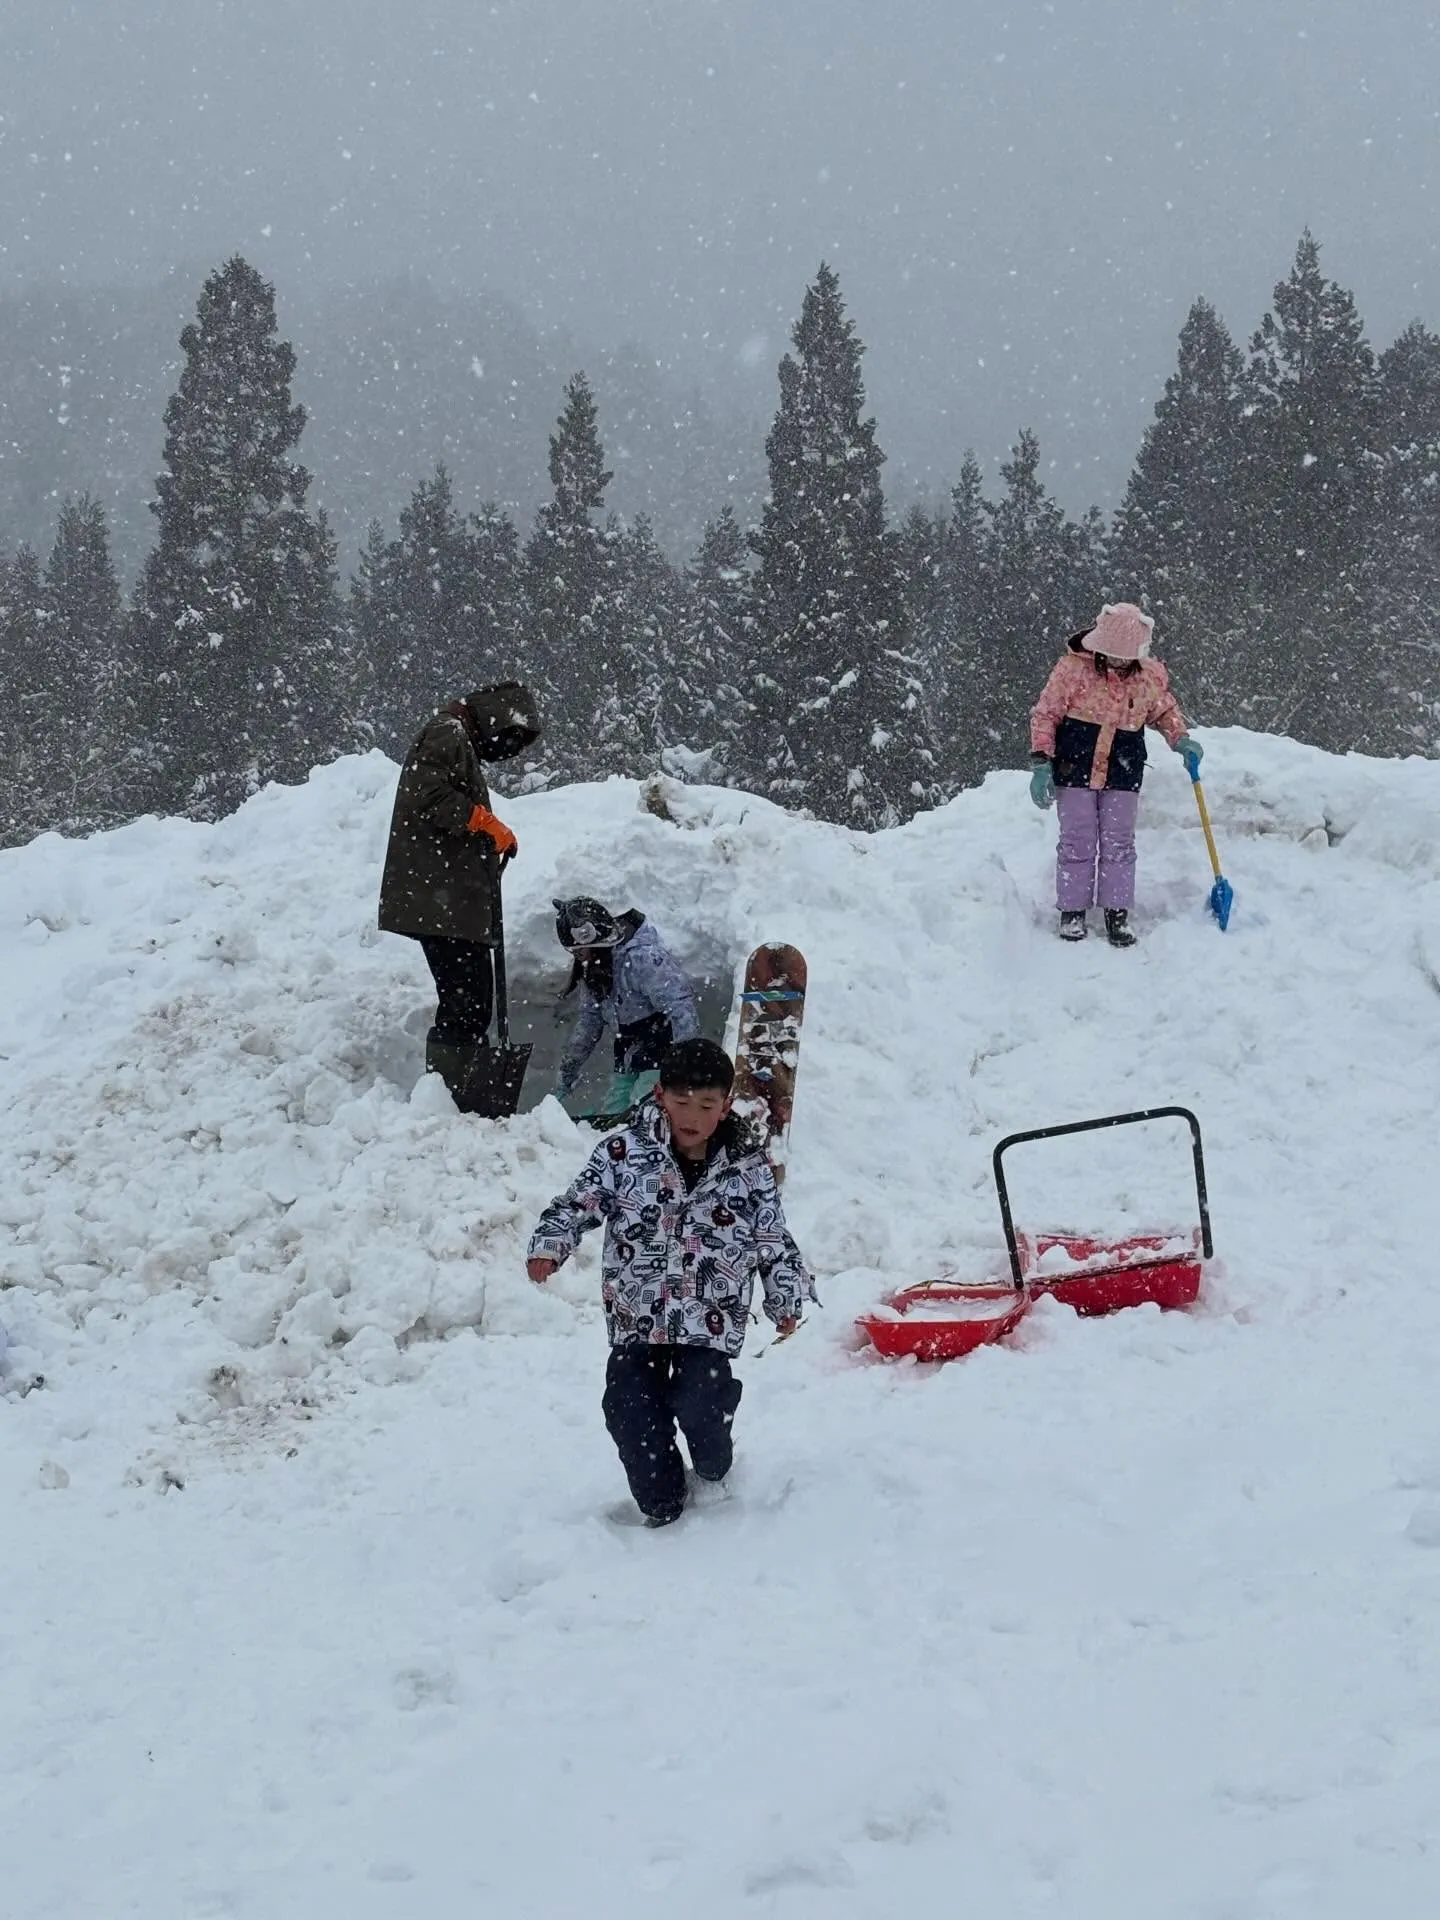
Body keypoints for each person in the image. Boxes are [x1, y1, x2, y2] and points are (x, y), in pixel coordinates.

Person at [527, 1037, 815, 1527]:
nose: (692, 1115)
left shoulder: (747, 1168)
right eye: (681, 1101)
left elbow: (773, 1238)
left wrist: (783, 1294)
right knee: (627, 1409)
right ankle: (662, 1504)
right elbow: (579, 1202)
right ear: (659, 1095)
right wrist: (551, 1242)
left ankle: (714, 1466)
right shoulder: (623, 1153)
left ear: (725, 1106)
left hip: (711, 1314)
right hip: (637, 1313)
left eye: (706, 1105)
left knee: (700, 1401)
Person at [378, 683, 541, 1087]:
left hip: (449, 903)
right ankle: (453, 1090)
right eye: (510, 739)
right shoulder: (446, 733)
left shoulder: (456, 738)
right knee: (465, 1002)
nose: (507, 751)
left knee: (470, 999)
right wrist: (483, 822)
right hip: (440, 903)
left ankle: (459, 1083)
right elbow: (427, 794)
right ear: (495, 720)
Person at [1028, 602, 1202, 947]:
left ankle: (1116, 912)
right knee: (1077, 840)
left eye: (1127, 658)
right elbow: (1045, 714)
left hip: (1123, 770)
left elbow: (1164, 710)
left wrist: (1181, 739)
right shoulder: (1072, 671)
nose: (1121, 663)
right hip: (1074, 766)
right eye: (1115, 655)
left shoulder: (1148, 677)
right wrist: (1040, 762)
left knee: (1119, 843)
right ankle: (1073, 910)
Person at [551, 896, 700, 1118]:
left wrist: (683, 1060)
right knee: (615, 1110)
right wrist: (570, 1064)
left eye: (580, 951)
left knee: (643, 1107)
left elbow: (679, 1006)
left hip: (662, 1042)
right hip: (628, 1047)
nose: (578, 957)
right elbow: (590, 1020)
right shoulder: (593, 970)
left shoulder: (643, 959)